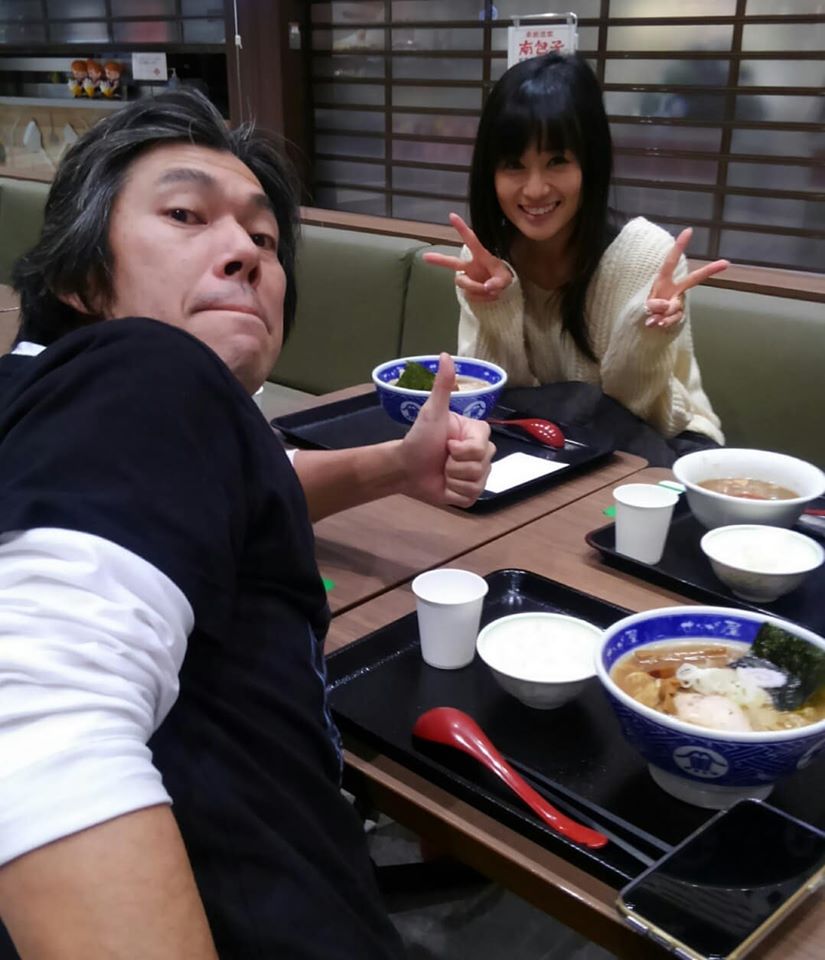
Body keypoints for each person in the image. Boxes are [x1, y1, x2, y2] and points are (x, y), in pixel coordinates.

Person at [0, 90, 493, 958]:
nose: (244, 253)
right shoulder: (149, 367)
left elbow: (225, 488)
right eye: (185, 215)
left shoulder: (52, 391)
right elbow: (35, 726)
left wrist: (397, 466)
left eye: (264, 238)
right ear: (82, 277)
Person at [424, 53, 729, 462]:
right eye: (514, 165)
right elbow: (497, 404)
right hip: (557, 444)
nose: (534, 189)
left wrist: (644, 336)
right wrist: (496, 308)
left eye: (557, 161)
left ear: (590, 162)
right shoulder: (483, 258)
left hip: (664, 445)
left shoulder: (646, 256)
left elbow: (642, 414)